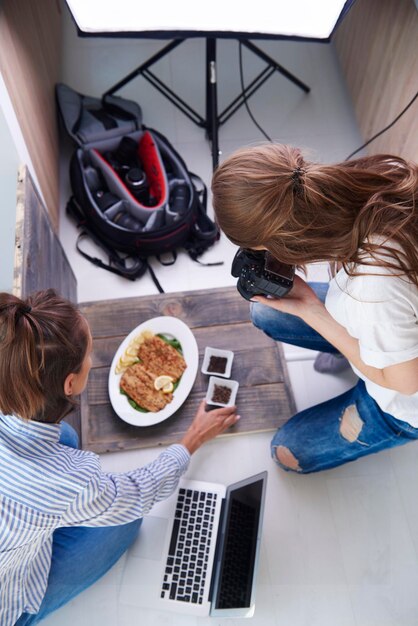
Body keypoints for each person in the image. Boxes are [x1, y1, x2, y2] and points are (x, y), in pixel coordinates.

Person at [0, 290, 239, 626]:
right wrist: (192, 439)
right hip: (10, 599)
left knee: (65, 437)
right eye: (89, 356)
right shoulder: (73, 481)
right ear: (70, 383)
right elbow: (137, 494)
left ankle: (50, 521)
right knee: (127, 520)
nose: (93, 361)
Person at [211, 143, 418, 474]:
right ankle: (355, 352)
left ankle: (362, 368)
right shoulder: (365, 177)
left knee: (285, 452)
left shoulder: (372, 290)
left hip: (400, 397)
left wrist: (312, 312)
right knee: (267, 310)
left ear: (280, 240)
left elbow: (405, 382)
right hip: (387, 326)